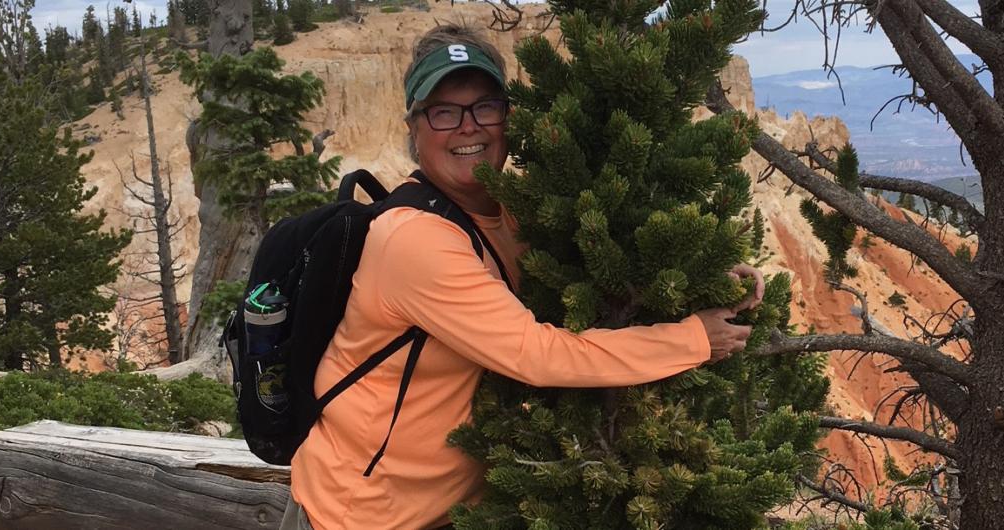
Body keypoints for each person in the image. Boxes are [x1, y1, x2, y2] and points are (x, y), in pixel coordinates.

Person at [283, 24, 762, 530]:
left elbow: (588, 255)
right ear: (415, 128)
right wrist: (691, 339)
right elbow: (535, 354)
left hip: (454, 509)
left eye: (484, 107)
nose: (468, 127)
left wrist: (699, 269)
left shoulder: (505, 207)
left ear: (506, 118)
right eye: (444, 112)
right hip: (363, 513)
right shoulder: (415, 239)